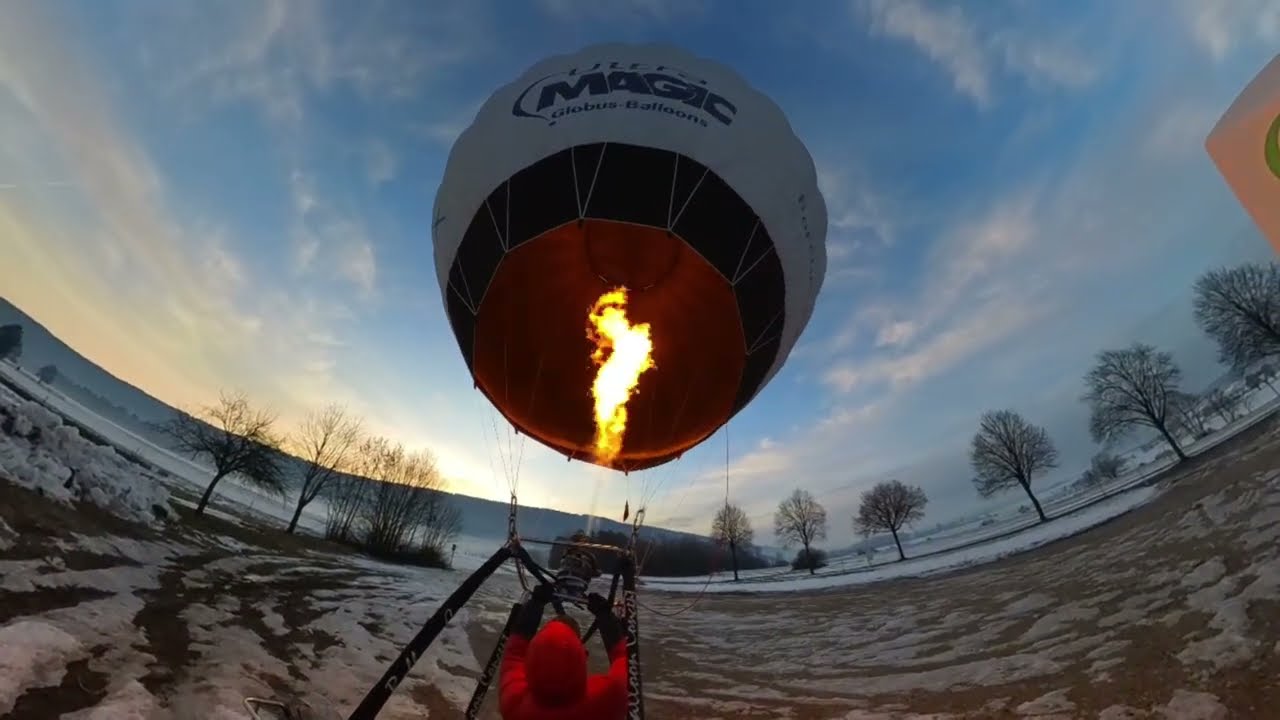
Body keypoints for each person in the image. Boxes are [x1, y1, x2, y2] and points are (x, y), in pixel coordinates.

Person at [499, 582, 628, 720]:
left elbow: (514, 656)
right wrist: (605, 616)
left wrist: (535, 604)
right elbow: (624, 659)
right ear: (585, 656)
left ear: (529, 662)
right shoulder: (608, 701)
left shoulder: (514, 705)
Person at [554, 532, 601, 601]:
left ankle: (565, 592)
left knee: (564, 590)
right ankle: (574, 594)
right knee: (576, 590)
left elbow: (562, 566)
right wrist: (597, 572)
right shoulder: (590, 556)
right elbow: (595, 573)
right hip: (579, 583)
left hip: (562, 580)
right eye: (584, 542)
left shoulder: (566, 554)